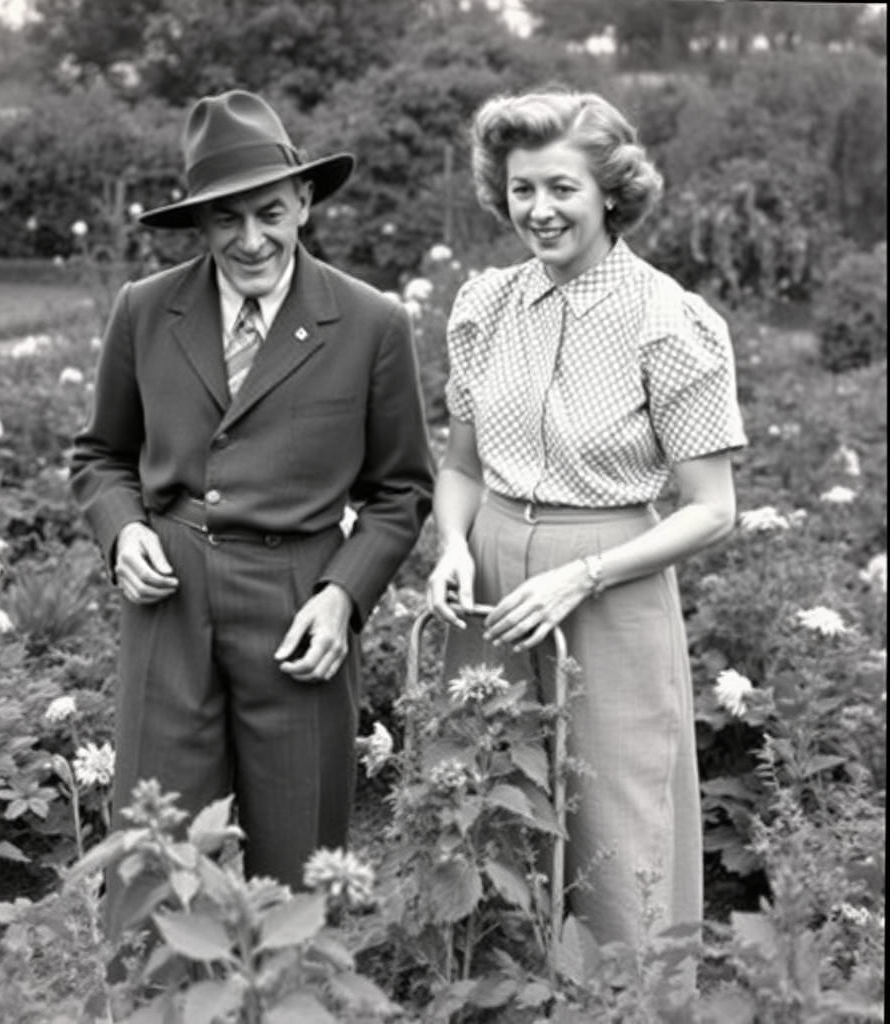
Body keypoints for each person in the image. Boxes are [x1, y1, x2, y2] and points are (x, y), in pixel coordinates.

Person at [70, 90, 433, 934]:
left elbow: (400, 491)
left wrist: (344, 596)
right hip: (170, 597)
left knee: (300, 860)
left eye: (270, 211)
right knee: (153, 856)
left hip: (298, 602)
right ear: (197, 223)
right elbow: (101, 457)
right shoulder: (144, 309)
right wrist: (122, 528)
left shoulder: (371, 324)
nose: (251, 239)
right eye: (225, 219)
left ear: (305, 201)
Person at [426, 86, 746, 948]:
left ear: (610, 190)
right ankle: (486, 991)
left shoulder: (667, 321)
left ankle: (628, 1000)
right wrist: (453, 544)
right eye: (523, 188)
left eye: (562, 187)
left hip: (609, 575)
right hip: (491, 579)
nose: (539, 209)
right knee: (480, 795)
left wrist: (582, 573)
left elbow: (712, 510)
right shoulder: (484, 307)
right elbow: (459, 468)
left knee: (616, 811)